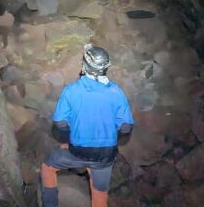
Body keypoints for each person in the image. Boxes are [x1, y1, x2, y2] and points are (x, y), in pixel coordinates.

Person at [40, 44, 134, 207]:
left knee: (47, 167)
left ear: (84, 66)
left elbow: (60, 123)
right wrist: (107, 136)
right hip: (105, 155)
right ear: (106, 67)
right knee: (99, 193)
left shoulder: (72, 90)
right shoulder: (116, 92)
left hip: (79, 151)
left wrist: (75, 134)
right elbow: (126, 127)